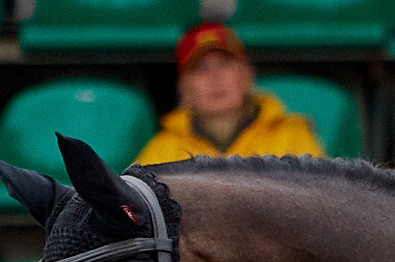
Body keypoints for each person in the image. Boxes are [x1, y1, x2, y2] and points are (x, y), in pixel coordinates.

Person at [134, 23, 325, 164]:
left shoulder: (293, 136)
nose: (214, 77)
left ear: (246, 76)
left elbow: (320, 203)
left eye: (224, 64)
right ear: (185, 89)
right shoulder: (162, 150)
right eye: (200, 68)